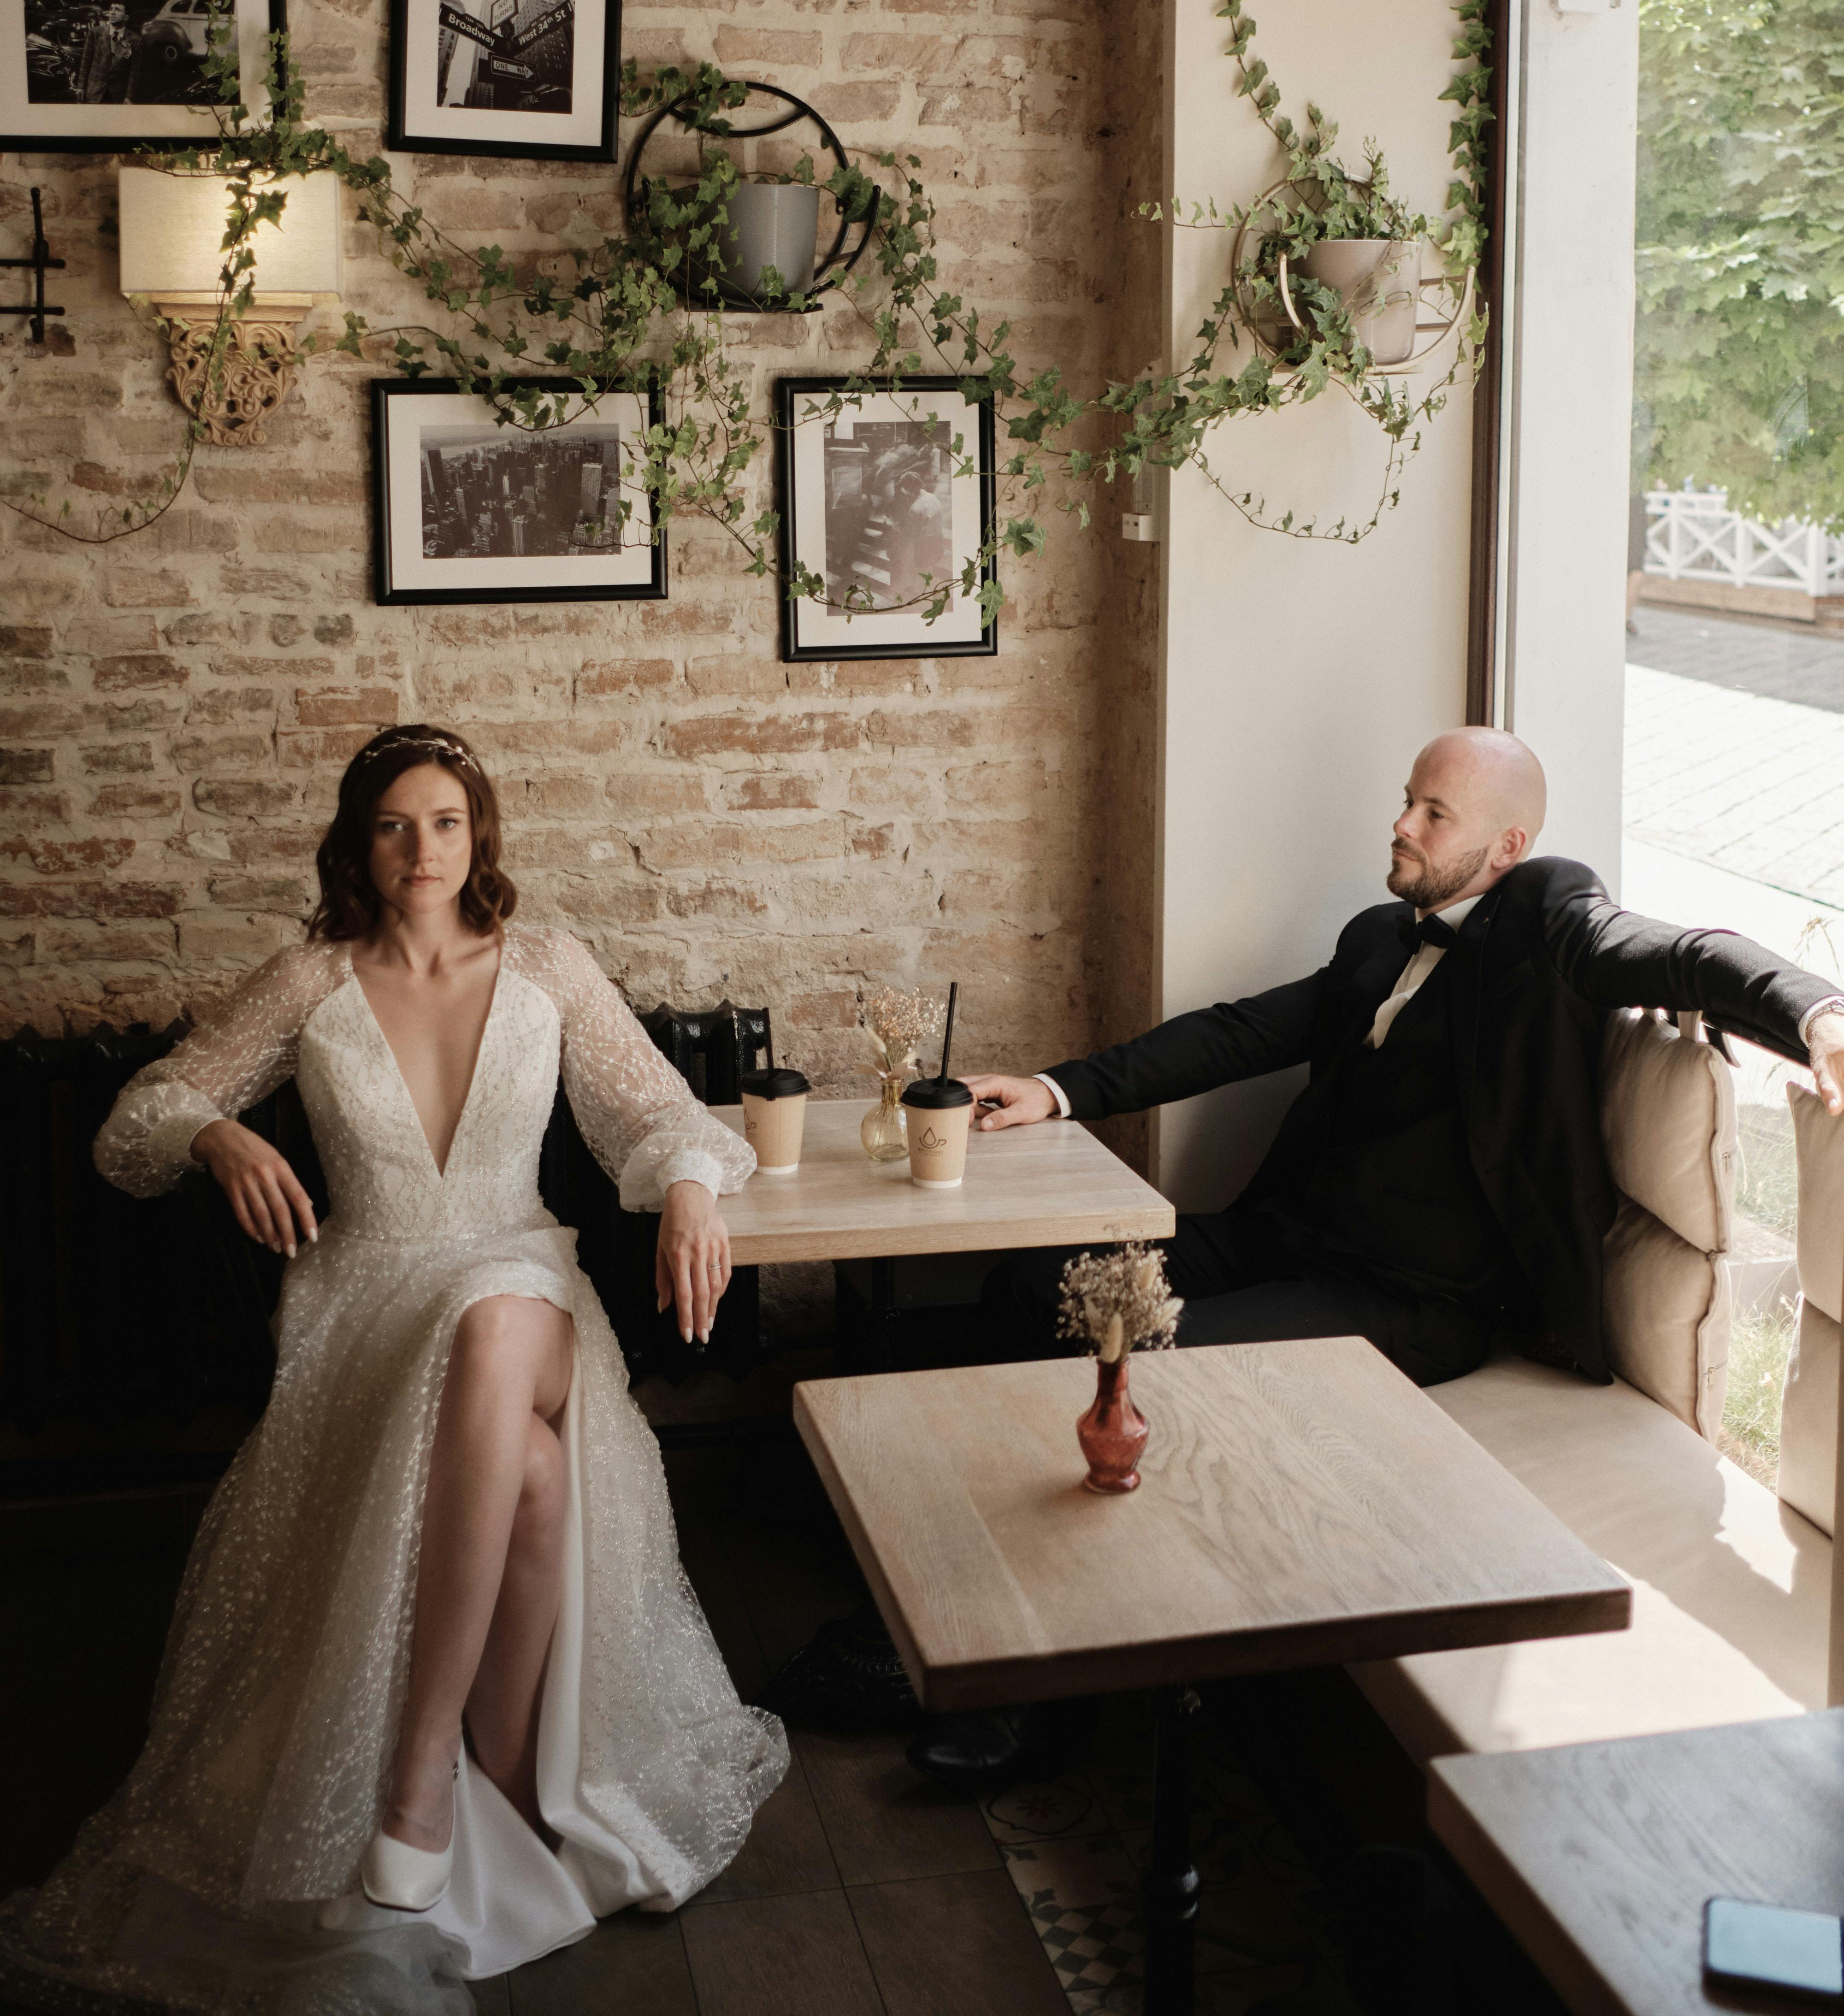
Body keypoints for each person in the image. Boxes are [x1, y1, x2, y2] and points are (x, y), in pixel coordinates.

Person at [0, 724, 784, 2014]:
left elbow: (657, 1112)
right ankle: (516, 1770)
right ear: (357, 845)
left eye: (448, 822)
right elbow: (134, 1125)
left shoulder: (547, 965)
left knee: (491, 1320)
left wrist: (693, 1186)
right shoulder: (309, 980)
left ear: (481, 836)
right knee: (529, 1472)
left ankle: (418, 1780)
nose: (424, 849)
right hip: (362, 1305)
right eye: (394, 825)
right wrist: (214, 1135)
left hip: (522, 1281)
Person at [910, 725, 1844, 1788]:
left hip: (1411, 1299)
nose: (1400, 824)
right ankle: (956, 1592)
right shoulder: (1374, 939)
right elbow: (1237, 1032)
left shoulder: (1547, 918)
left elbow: (1687, 956)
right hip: (1281, 1239)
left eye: (1433, 814)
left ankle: (1045, 1695)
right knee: (1029, 1288)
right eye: (1408, 800)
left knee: (1143, 1372)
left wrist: (1816, 1017)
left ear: (1506, 848)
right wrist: (1056, 1089)